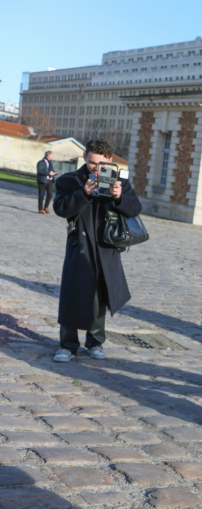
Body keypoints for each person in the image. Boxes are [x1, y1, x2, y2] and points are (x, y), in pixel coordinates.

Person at [52, 140, 141, 363]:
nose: (96, 167)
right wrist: (83, 194)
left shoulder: (120, 180)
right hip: (79, 246)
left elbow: (135, 209)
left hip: (106, 247)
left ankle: (95, 342)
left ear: (110, 161)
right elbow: (60, 208)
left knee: (100, 296)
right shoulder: (68, 180)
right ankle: (67, 345)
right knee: (72, 294)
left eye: (101, 164)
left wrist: (119, 196)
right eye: (92, 162)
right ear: (84, 157)